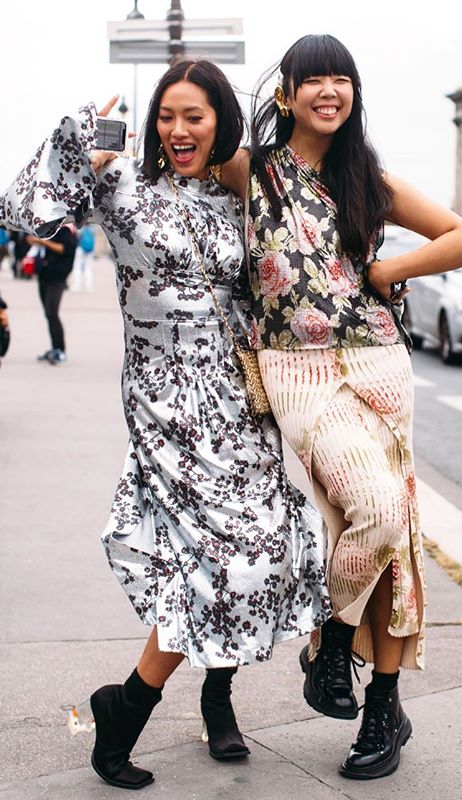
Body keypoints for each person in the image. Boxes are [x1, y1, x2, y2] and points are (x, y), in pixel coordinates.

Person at [0, 58, 330, 790]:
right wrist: (81, 139)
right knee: (220, 558)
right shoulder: (120, 184)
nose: (178, 130)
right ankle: (127, 709)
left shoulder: (232, 194)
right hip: (165, 396)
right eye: (167, 116)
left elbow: (297, 254)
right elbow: (20, 211)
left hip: (239, 397)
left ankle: (216, 694)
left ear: (220, 126)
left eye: (195, 117)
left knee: (260, 547)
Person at [218, 34, 462, 780]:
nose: (329, 91)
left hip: (378, 365)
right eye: (314, 80)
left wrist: (387, 270)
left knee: (392, 532)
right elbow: (185, 142)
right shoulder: (255, 172)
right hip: (297, 370)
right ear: (286, 94)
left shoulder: (370, 179)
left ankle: (382, 707)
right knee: (373, 506)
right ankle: (333, 643)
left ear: (353, 94)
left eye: (342, 80)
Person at [29, 224, 77, 364]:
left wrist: (41, 241)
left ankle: (60, 350)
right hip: (45, 276)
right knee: (48, 314)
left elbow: (63, 248)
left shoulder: (66, 230)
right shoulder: (53, 230)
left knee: (52, 313)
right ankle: (54, 348)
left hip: (56, 279)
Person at [70, 224, 96, 291]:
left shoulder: (80, 228)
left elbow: (77, 237)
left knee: (77, 267)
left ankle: (77, 285)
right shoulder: (93, 228)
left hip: (80, 249)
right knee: (88, 268)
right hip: (90, 250)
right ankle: (89, 286)